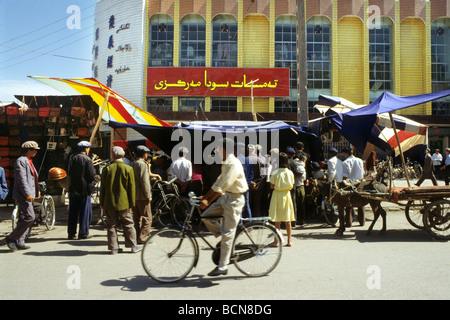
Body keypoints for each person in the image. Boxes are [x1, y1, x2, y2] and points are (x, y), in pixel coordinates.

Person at [199, 138, 248, 276]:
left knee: (228, 233)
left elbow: (223, 186)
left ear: (225, 149)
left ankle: (222, 266)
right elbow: (217, 183)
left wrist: (208, 200)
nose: (217, 151)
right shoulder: (226, 163)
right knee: (206, 216)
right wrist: (205, 197)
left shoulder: (233, 164)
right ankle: (227, 239)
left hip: (235, 199)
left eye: (218, 148)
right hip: (226, 197)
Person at [100, 146, 141, 254]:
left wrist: (102, 203)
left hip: (109, 202)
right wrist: (132, 204)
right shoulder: (128, 169)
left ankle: (114, 248)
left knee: (111, 225)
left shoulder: (107, 169)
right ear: (122, 156)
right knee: (128, 224)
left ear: (113, 155)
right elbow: (131, 189)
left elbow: (102, 188)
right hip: (125, 203)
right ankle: (133, 246)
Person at [5, 141, 40, 251]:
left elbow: (33, 178)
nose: (36, 151)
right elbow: (22, 180)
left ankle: (20, 241)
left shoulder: (29, 161)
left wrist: (36, 191)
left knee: (23, 217)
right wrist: (28, 193)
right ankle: (11, 238)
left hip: (29, 193)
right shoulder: (21, 161)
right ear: (28, 150)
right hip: (23, 195)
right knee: (30, 217)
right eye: (34, 149)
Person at [131, 145, 160, 244]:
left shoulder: (132, 163)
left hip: (133, 195)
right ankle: (143, 238)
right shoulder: (142, 164)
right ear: (144, 154)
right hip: (142, 195)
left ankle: (136, 237)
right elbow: (144, 181)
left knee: (136, 218)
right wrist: (148, 195)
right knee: (147, 218)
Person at [67, 141, 96, 240]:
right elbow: (92, 175)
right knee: (84, 212)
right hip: (84, 190)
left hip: (73, 188)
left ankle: (71, 233)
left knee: (73, 212)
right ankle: (83, 233)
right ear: (86, 149)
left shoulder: (72, 158)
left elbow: (69, 172)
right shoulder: (87, 159)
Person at [268, 152, 295, 247]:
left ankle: (276, 241)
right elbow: (292, 185)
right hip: (287, 195)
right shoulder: (290, 173)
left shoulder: (275, 173)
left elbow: (271, 186)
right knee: (288, 220)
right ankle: (289, 241)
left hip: (277, 195)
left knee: (277, 220)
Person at [342, 147, 365, 226]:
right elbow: (362, 174)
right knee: (361, 203)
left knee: (348, 204)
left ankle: (349, 222)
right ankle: (362, 222)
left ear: (346, 153)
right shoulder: (360, 160)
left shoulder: (345, 162)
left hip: (350, 184)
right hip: (359, 183)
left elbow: (344, 177)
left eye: (344, 153)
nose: (343, 155)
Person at [236, 142, 253, 219]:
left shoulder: (235, 159)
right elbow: (251, 174)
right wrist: (248, 183)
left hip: (236, 186)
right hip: (245, 186)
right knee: (246, 205)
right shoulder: (247, 160)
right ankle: (249, 224)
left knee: (237, 205)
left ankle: (240, 224)